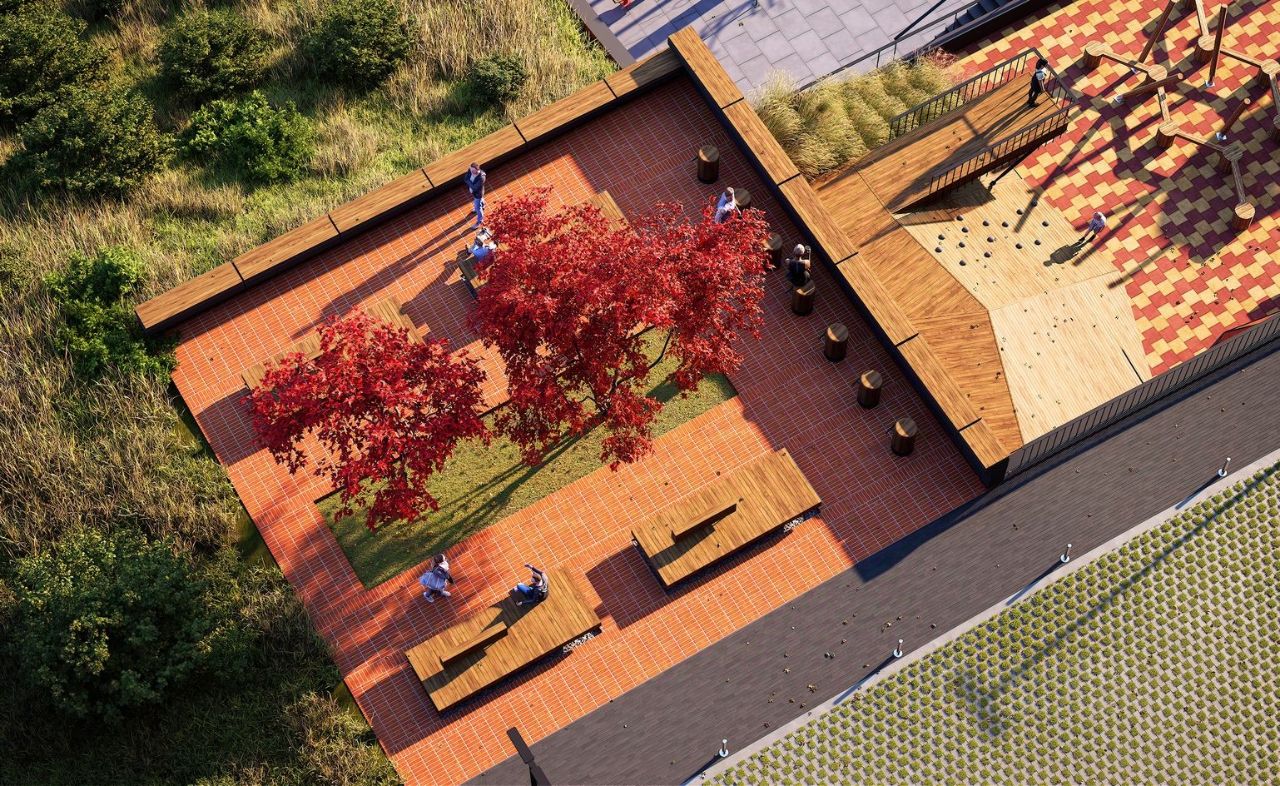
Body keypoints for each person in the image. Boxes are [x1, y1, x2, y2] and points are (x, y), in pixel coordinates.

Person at [463, 163, 486, 228]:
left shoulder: (482, 177)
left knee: (478, 208)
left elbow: (475, 188)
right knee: (480, 201)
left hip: (478, 194)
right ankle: (483, 204)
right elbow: (466, 178)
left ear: (477, 170)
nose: (471, 171)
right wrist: (470, 185)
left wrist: (469, 183)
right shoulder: (470, 170)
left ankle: (479, 221)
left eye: (473, 170)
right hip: (474, 192)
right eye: (471, 170)